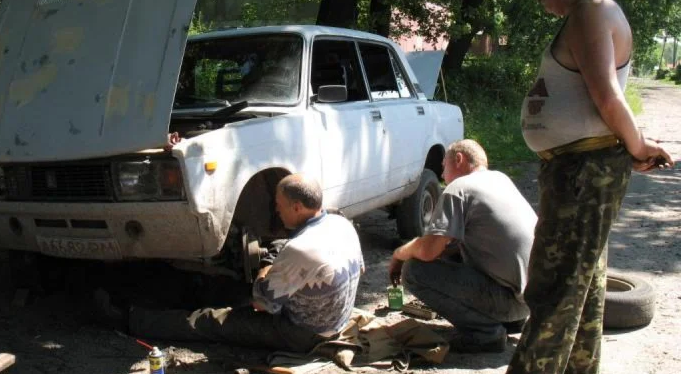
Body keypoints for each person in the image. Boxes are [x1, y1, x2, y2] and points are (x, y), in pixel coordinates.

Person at [471, 0, 674, 374]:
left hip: (585, 168)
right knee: (586, 275)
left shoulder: (591, 10)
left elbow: (608, 95)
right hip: (582, 165)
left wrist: (637, 146)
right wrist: (629, 147)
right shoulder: (589, 12)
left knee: (555, 278)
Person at [96, 174, 364, 353]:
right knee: (232, 294)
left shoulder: (300, 249)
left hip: (304, 333)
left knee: (212, 321)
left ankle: (129, 319)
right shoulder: (341, 224)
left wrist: (268, 263)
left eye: (279, 205)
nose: (276, 211)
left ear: (296, 207)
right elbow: (360, 269)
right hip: (335, 318)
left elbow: (261, 304)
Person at [388, 139, 537, 353]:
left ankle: (485, 334)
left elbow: (428, 251)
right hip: (529, 302)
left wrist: (399, 254)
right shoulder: (500, 179)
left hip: (508, 301)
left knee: (413, 270)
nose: (442, 175)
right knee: (450, 254)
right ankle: (507, 322)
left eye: (443, 167)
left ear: (458, 159)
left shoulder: (459, 188)